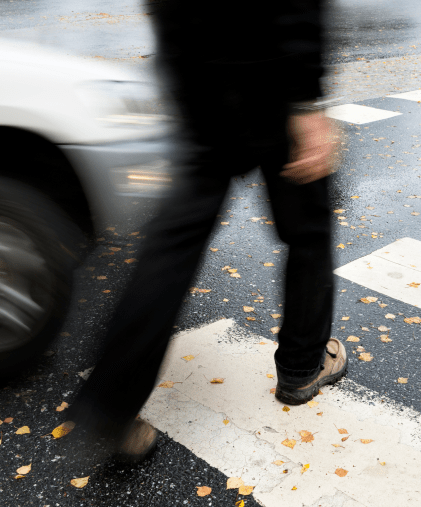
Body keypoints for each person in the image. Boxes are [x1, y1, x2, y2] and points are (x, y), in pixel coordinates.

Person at [68, 0, 347, 462]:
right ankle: (301, 367)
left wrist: (178, 67)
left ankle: (110, 405)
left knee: (174, 243)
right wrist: (304, 99)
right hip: (269, 72)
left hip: (196, 71)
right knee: (309, 229)